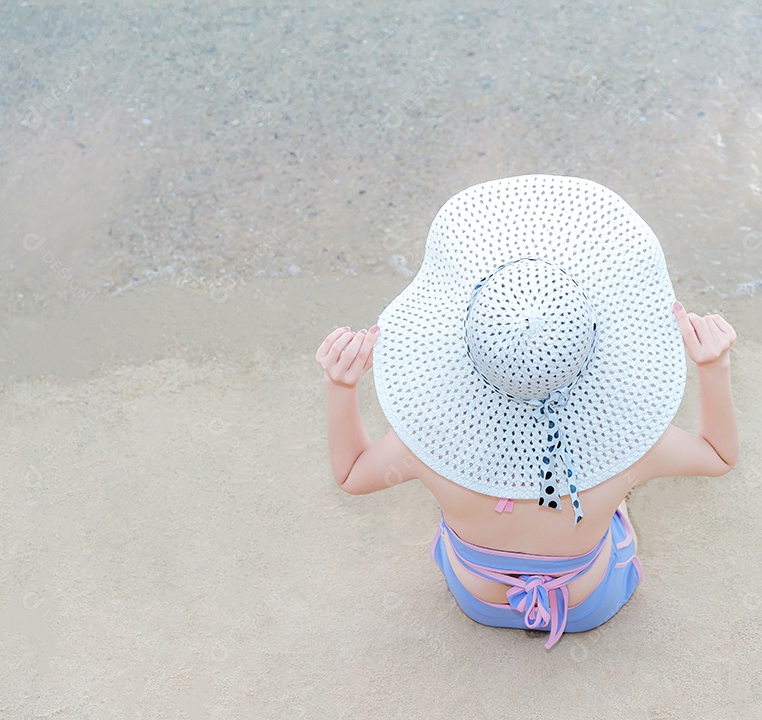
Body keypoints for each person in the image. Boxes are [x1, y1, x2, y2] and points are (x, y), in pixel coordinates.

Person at [315, 175, 738, 649]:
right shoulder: (642, 447)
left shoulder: (425, 441)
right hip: (585, 603)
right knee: (615, 490)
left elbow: (351, 474)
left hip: (477, 599)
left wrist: (340, 385)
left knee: (456, 483)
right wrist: (713, 366)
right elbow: (718, 456)